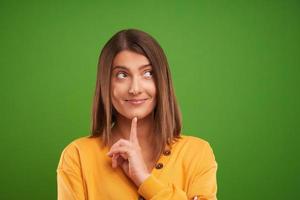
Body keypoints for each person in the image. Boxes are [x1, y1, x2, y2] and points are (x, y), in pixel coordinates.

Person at [56, 29, 218, 200]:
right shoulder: (77, 156)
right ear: (106, 84)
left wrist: (144, 180)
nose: (135, 89)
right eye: (122, 75)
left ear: (162, 81)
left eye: (148, 73)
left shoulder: (197, 153)